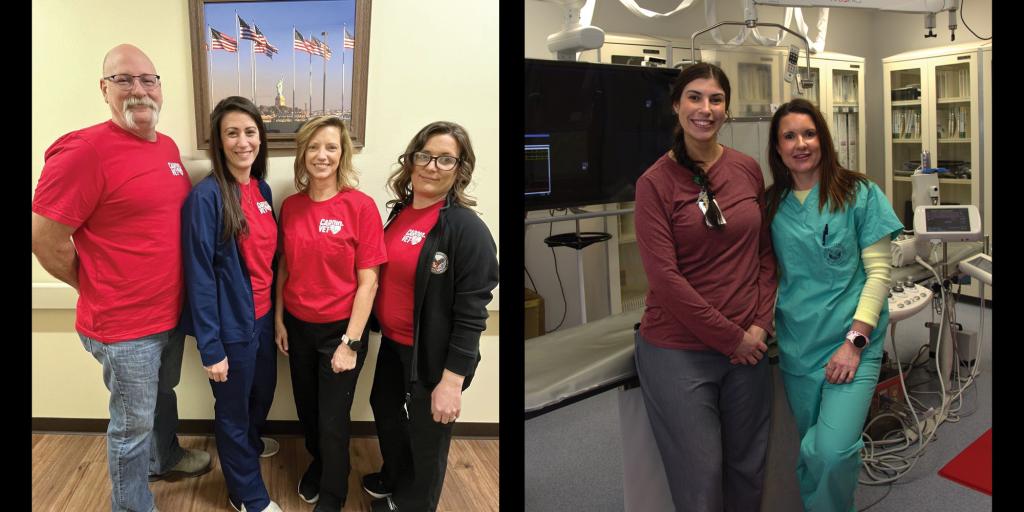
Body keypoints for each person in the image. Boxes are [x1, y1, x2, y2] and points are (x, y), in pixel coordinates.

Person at [31, 43, 211, 512]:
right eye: (124, 80)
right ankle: (132, 506)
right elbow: (44, 239)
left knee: (163, 395)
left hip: (170, 314)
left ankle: (165, 457)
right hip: (125, 327)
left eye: (148, 80)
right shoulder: (84, 152)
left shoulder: (165, 147)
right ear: (104, 88)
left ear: (159, 89)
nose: (139, 90)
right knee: (131, 427)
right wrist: (90, 284)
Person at [632, 62, 778, 512]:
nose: (706, 108)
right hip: (680, 350)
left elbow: (765, 254)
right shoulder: (654, 184)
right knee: (702, 479)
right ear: (676, 105)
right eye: (694, 97)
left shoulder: (747, 169)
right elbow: (665, 280)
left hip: (748, 348)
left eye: (716, 99)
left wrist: (760, 324)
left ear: (726, 109)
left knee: (748, 469)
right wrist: (732, 338)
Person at [765, 98, 903, 512]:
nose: (800, 144)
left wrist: (854, 342)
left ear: (823, 139)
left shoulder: (859, 193)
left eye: (809, 134)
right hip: (799, 346)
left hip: (851, 344)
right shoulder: (771, 205)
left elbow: (878, 274)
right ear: (777, 148)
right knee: (813, 451)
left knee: (832, 451)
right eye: (789, 136)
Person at [363, 121, 499, 512]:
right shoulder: (400, 213)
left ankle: (413, 504)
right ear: (411, 160)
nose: (431, 166)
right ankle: (395, 476)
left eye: (445, 159)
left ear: (460, 169)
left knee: (429, 436)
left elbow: (472, 314)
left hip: (435, 355)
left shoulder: (467, 229)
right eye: (424, 156)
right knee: (385, 409)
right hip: (395, 343)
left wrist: (451, 382)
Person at [274, 115, 386, 512]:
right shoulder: (291, 206)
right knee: (308, 412)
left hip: (341, 331)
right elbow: (284, 266)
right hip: (298, 327)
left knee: (333, 419)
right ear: (302, 153)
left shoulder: (360, 207)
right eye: (314, 147)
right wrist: (279, 319)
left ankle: (334, 492)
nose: (322, 155)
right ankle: (320, 465)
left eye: (331, 147)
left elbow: (369, 282)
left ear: (343, 154)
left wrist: (350, 343)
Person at [180, 96, 282, 512]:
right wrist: (211, 347)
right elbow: (200, 276)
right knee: (233, 411)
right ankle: (246, 495)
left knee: (263, 392)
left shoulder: (261, 189)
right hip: (230, 325)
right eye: (232, 133)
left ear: (261, 137)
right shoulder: (206, 197)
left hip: (263, 318)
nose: (243, 142)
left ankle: (249, 446)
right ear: (219, 142)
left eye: (250, 132)